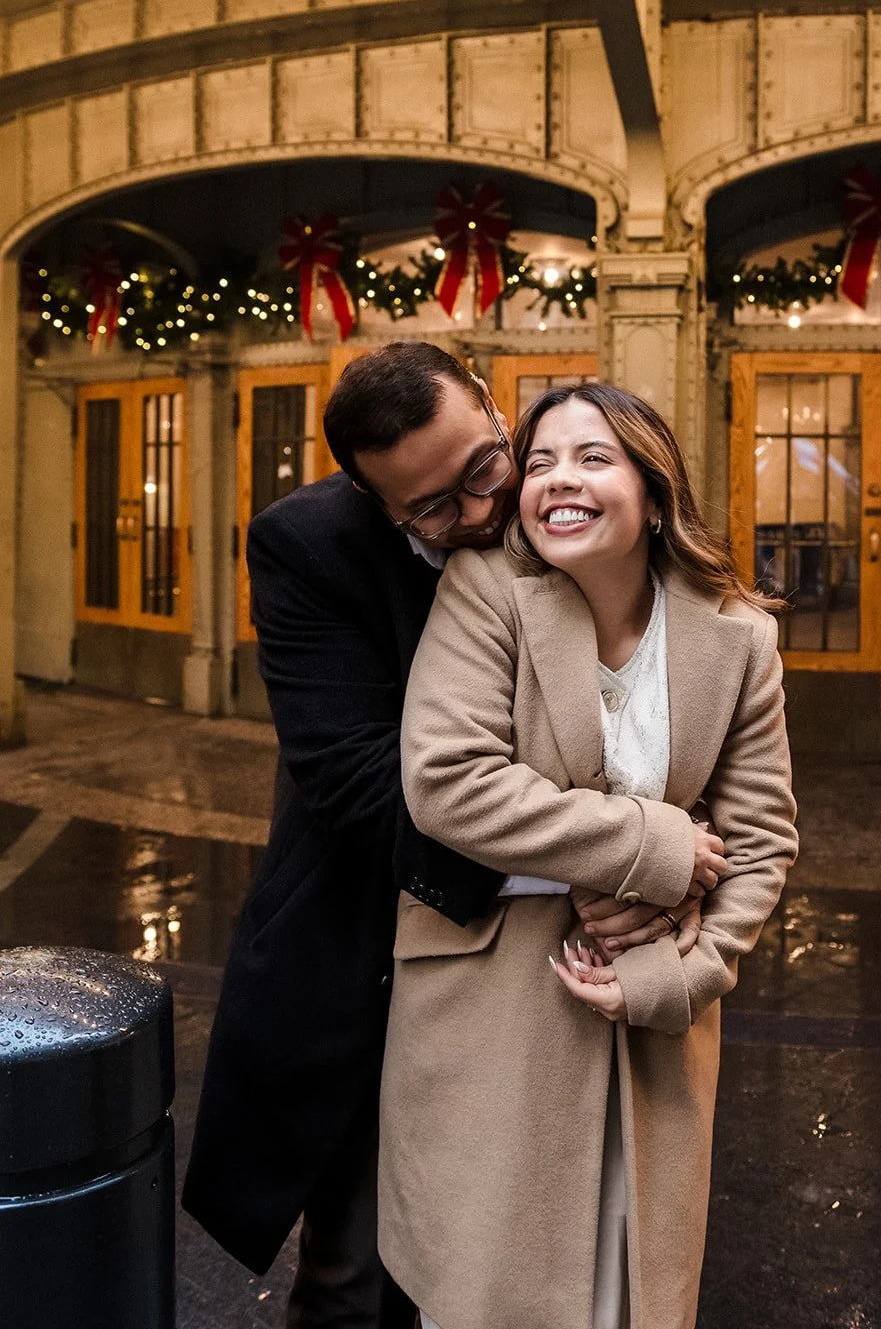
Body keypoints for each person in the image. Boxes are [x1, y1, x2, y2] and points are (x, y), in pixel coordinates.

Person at [183, 344, 703, 1327]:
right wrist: (601, 864)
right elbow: (360, 782)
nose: (479, 509)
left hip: (562, 979)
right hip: (372, 943)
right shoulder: (308, 545)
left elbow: (671, 709)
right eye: (430, 508)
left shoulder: (566, 489)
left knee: (548, 1257)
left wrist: (676, 840)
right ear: (372, 501)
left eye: (484, 468)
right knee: (362, 1271)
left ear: (495, 407)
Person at [378, 383, 799, 1329]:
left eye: (593, 458)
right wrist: (653, 847)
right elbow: (447, 779)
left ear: (653, 492)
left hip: (652, 1032)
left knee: (629, 1289)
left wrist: (683, 973)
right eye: (539, 463)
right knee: (486, 1292)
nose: (558, 480)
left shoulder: (740, 635)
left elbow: (763, 837)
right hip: (490, 1013)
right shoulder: (485, 590)